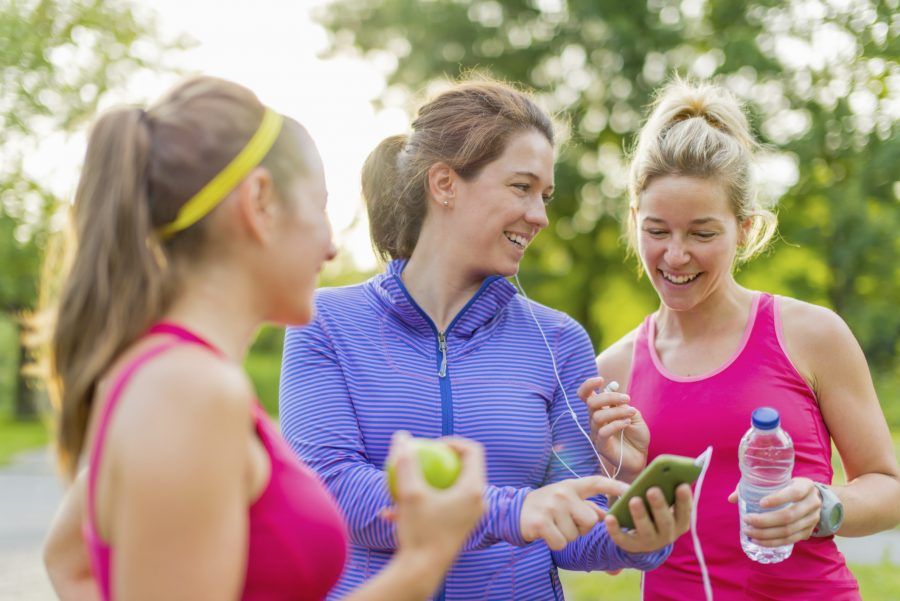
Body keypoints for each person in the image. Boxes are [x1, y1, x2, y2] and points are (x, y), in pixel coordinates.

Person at [39, 75, 488, 600]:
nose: (330, 247)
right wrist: (426, 558)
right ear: (259, 201)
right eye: (321, 207)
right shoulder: (189, 392)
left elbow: (71, 564)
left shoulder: (165, 373)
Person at [278, 79, 693, 601]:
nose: (540, 216)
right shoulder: (327, 323)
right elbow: (332, 490)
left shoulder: (558, 340)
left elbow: (568, 533)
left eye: (544, 196)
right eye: (521, 188)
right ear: (445, 183)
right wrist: (512, 510)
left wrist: (634, 531)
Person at [582, 78, 900, 600]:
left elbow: (887, 490)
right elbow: (603, 546)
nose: (676, 255)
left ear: (746, 229)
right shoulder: (613, 369)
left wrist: (824, 506)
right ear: (634, 221)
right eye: (657, 231)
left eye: (703, 233)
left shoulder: (812, 335)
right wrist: (624, 475)